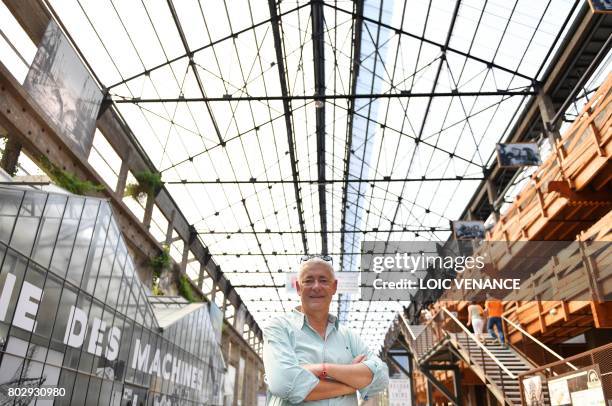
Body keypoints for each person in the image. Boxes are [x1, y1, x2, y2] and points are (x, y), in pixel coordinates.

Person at [263, 258, 389, 405]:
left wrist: (324, 369)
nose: (316, 287)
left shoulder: (349, 337)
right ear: (298, 287)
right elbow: (285, 384)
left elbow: (380, 377)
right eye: (308, 281)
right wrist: (351, 382)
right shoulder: (278, 328)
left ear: (334, 287)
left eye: (323, 280)